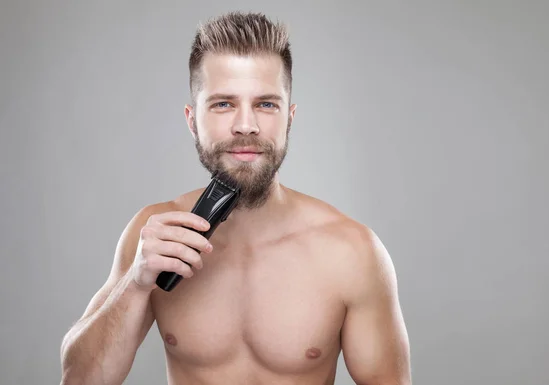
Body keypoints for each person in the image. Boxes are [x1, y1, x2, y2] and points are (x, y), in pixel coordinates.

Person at [59, 11, 411, 385]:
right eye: (223, 104)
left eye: (266, 104)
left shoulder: (352, 251)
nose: (246, 124)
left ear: (289, 118)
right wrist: (136, 282)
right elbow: (80, 379)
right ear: (192, 119)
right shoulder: (153, 236)